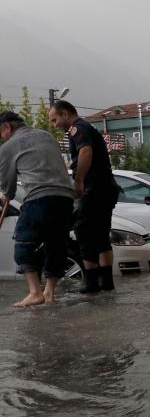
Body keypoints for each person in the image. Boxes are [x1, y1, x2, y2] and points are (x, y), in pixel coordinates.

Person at [0, 111, 75, 307]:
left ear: (7, 127)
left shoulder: (8, 147)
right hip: (66, 198)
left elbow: (8, 185)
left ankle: (34, 292)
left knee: (24, 244)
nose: (2, 137)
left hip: (40, 198)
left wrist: (6, 195)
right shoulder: (47, 136)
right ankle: (49, 293)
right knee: (56, 245)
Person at [49, 100, 120, 294]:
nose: (54, 125)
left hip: (94, 189)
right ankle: (106, 282)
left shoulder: (77, 129)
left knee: (84, 231)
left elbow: (85, 151)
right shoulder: (87, 127)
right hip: (106, 189)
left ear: (65, 114)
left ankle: (91, 283)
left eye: (55, 120)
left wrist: (79, 180)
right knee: (101, 235)